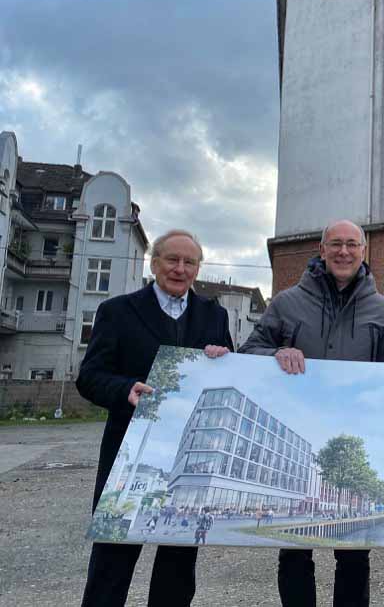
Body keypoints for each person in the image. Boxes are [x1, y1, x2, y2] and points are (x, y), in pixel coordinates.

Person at [240, 219, 384, 607]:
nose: (344, 252)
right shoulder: (286, 302)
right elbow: (247, 353)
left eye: (352, 245)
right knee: (295, 550)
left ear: (364, 251)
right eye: (336, 245)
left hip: (354, 435)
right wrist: (276, 352)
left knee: (354, 556)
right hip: (301, 433)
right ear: (322, 249)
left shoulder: (381, 308)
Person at [76, 229, 233, 607]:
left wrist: (223, 356)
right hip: (131, 455)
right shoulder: (117, 311)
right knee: (112, 563)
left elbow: (228, 373)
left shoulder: (214, 315)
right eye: (172, 260)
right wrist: (124, 389)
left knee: (178, 566)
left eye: (189, 262)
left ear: (198, 268)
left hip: (190, 455)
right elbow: (89, 376)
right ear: (154, 263)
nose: (180, 269)